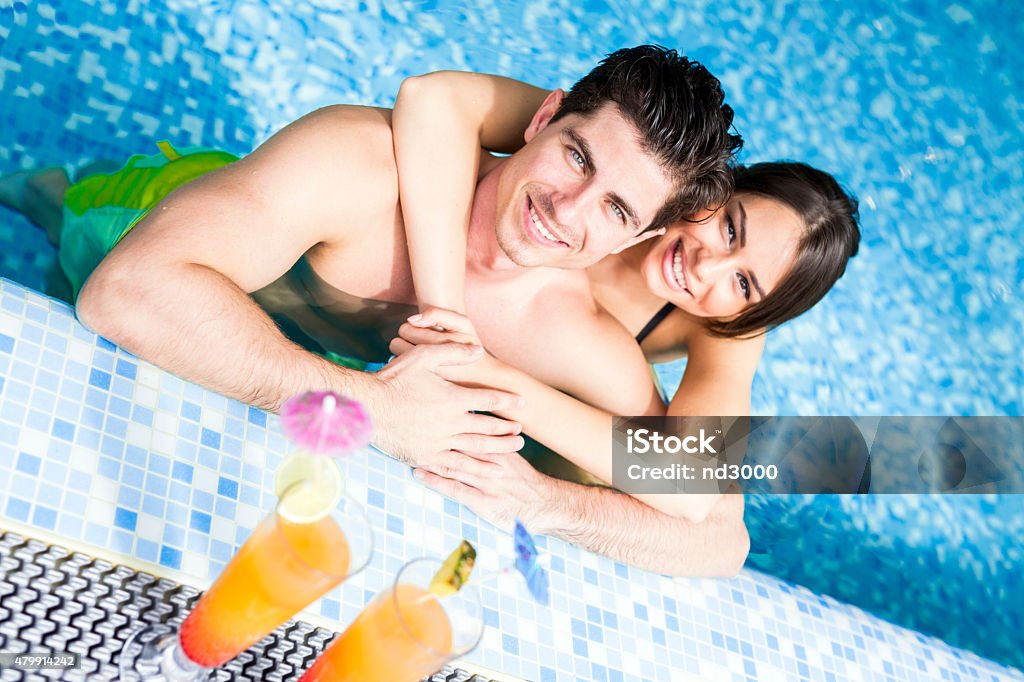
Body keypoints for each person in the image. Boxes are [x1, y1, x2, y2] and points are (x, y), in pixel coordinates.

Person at [0, 46, 750, 576]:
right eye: (578, 156)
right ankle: (49, 186)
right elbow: (127, 292)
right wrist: (374, 409)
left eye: (617, 208)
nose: (568, 206)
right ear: (542, 117)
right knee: (69, 222)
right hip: (170, 232)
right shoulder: (361, 166)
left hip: (256, 322)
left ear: (643, 235)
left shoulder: (579, 345)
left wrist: (553, 503)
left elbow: (715, 535)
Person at [386, 71, 861, 520]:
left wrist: (488, 376)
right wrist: (443, 318)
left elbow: (695, 484)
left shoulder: (728, 331)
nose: (708, 266)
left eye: (743, 284)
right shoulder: (614, 148)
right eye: (730, 228)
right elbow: (432, 97)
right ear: (713, 186)